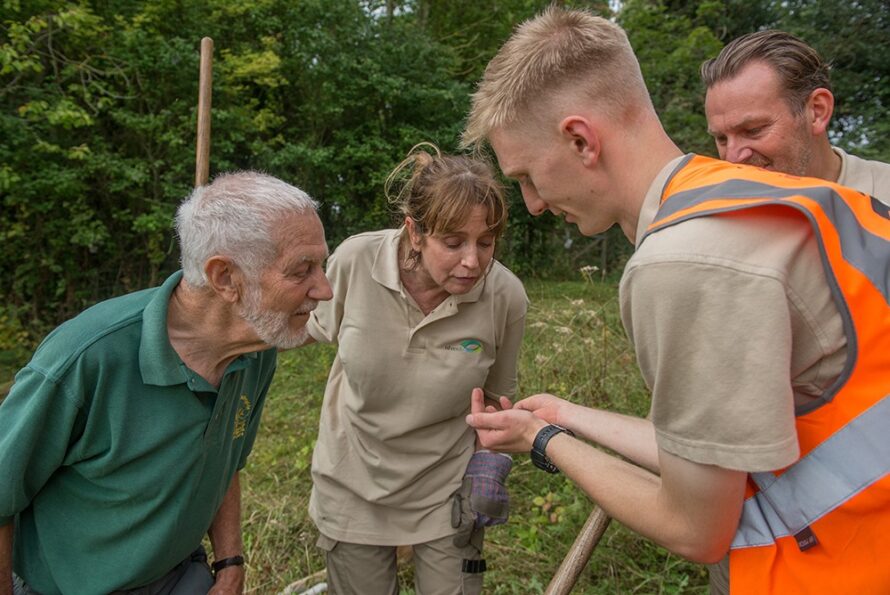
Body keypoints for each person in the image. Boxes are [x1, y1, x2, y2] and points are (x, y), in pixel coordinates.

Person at [461, 7, 890, 595]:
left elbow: (696, 529)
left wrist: (543, 443)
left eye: (528, 175)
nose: (532, 203)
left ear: (581, 139)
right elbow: (723, 455)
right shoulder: (769, 199)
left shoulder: (680, 262)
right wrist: (562, 416)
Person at [0, 171, 333, 595]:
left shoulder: (255, 349)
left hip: (180, 575)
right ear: (226, 278)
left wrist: (230, 560)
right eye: (302, 270)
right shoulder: (88, 358)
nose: (324, 289)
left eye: (320, 265)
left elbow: (224, 460)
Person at [303, 143, 527, 594]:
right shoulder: (354, 262)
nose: (472, 261)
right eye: (453, 242)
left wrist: (489, 462)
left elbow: (499, 402)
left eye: (486, 243)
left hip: (445, 490)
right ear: (415, 231)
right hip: (353, 484)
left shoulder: (504, 295)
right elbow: (304, 328)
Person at [701, 29, 890, 204]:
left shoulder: (883, 197)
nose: (733, 158)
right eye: (722, 139)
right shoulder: (718, 212)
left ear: (817, 111)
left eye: (753, 130)